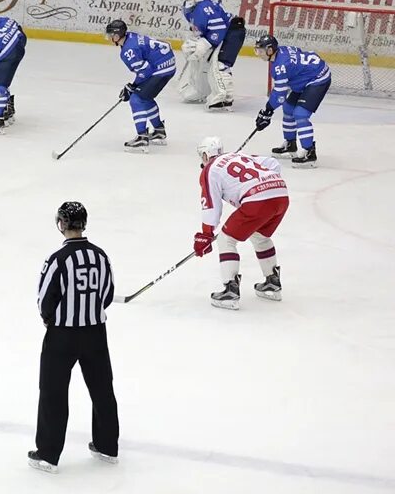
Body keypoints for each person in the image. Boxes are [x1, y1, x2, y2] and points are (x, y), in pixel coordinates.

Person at [31, 201, 118, 474]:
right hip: (95, 333)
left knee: (53, 392)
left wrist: (51, 320)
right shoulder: (101, 256)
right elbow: (108, 293)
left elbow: (45, 299)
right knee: (102, 388)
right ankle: (107, 446)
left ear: (62, 224)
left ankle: (48, 453)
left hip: (62, 336)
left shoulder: (58, 259)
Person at [193, 137, 287, 310]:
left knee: (225, 240)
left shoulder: (210, 170)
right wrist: (266, 182)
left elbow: (211, 204)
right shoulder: (240, 155)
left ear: (206, 154)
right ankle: (272, 282)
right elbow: (272, 163)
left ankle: (230, 290)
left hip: (258, 201)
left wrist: (206, 234)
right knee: (260, 236)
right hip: (281, 194)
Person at [252, 34, 329, 167]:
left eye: (261, 50)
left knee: (300, 114)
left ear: (270, 50)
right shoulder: (281, 52)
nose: (258, 53)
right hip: (306, 78)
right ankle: (290, 144)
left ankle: (309, 152)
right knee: (288, 108)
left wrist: (267, 110)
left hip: (317, 79)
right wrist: (268, 111)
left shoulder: (280, 65)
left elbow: (280, 94)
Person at [105, 18, 174, 149]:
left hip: (160, 69)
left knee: (136, 99)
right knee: (145, 97)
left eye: (110, 35)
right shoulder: (131, 37)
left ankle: (142, 137)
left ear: (117, 35)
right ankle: (159, 131)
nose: (109, 38)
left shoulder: (127, 51)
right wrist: (133, 86)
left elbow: (145, 70)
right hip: (167, 65)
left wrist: (132, 86)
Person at [177, 0, 245, 109]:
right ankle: (201, 91)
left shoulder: (204, 8)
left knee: (220, 64)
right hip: (223, 32)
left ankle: (226, 98)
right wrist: (196, 40)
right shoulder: (189, 7)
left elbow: (218, 29)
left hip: (232, 32)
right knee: (203, 61)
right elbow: (199, 27)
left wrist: (206, 43)